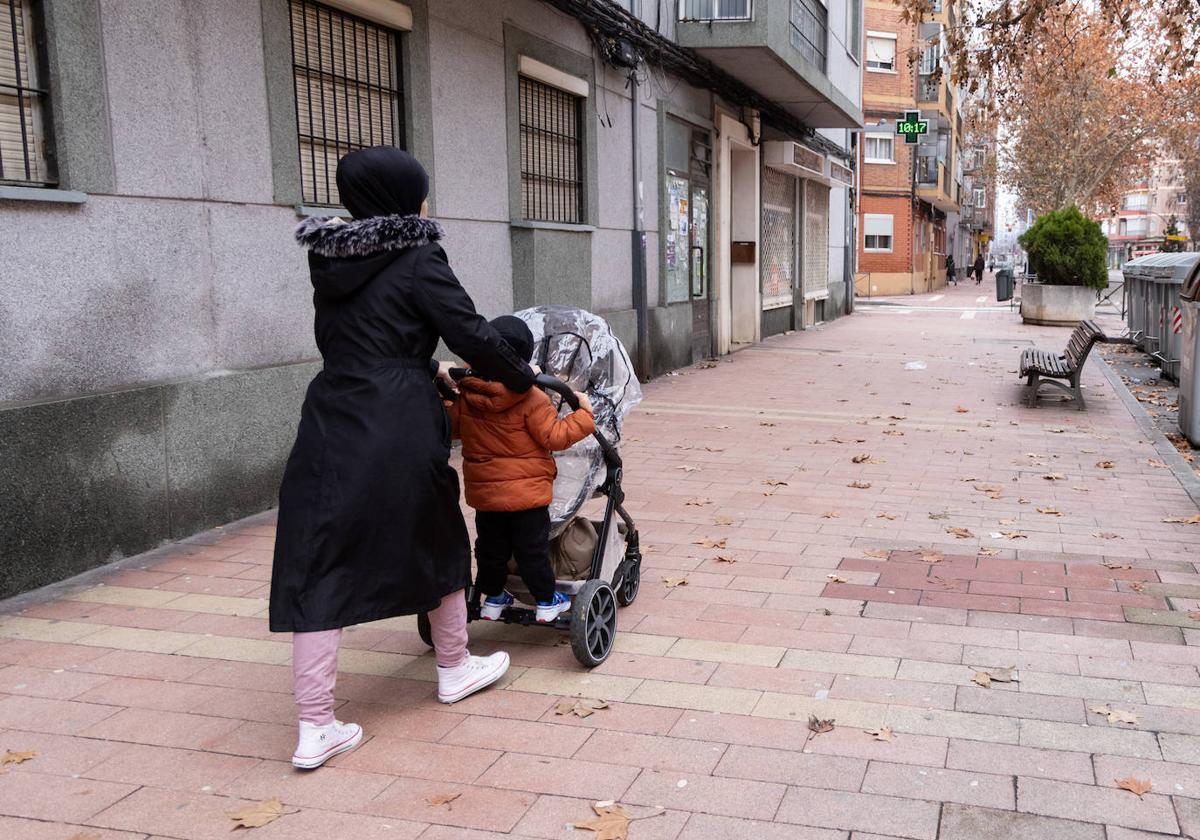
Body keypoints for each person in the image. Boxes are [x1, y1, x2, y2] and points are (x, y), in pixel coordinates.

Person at [270, 146, 537, 771]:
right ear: (404, 196)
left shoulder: (329, 258)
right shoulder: (419, 254)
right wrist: (520, 377)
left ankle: (315, 726)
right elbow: (469, 329)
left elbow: (371, 332)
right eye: (420, 189)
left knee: (320, 552)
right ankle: (454, 667)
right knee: (435, 534)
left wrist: (421, 366)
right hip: (398, 417)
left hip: (333, 411)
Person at [446, 316, 596, 623]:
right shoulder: (531, 398)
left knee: (490, 550)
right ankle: (545, 601)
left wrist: (446, 400)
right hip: (528, 498)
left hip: (486, 496)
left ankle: (493, 598)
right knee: (531, 551)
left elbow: (452, 428)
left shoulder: (469, 396)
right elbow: (555, 436)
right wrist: (583, 415)